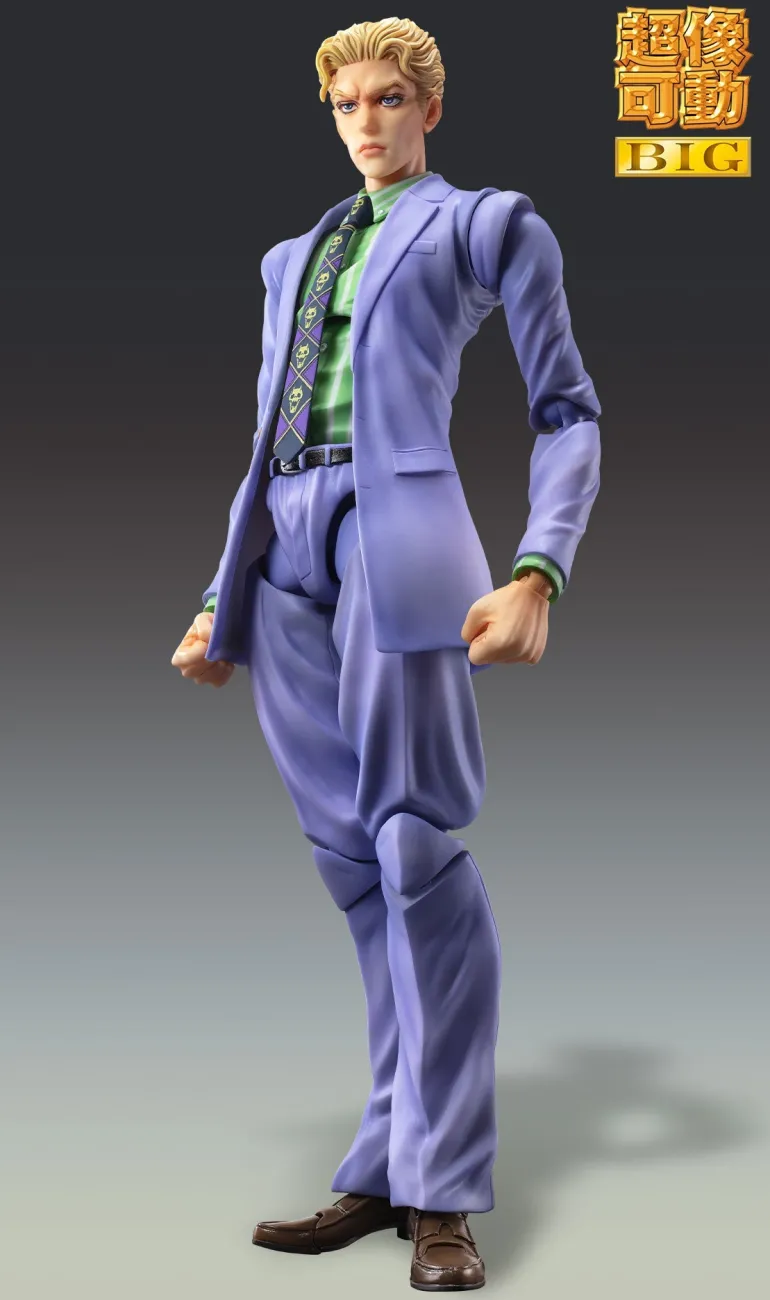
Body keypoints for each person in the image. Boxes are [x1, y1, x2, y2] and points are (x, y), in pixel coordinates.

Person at [171, 16, 601, 1292]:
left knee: (415, 847)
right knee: (352, 866)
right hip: (283, 549)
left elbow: (566, 409)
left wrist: (537, 568)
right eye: (345, 103)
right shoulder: (288, 260)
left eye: (388, 98)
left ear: (428, 107)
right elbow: (264, 433)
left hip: (394, 528)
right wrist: (219, 591)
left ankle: (444, 1189)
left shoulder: (483, 225)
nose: (366, 120)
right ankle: (382, 1161)